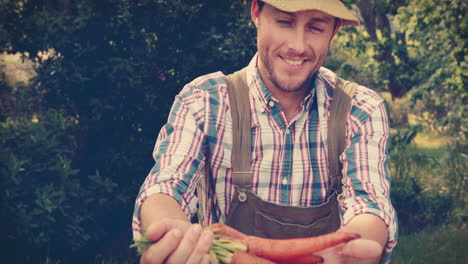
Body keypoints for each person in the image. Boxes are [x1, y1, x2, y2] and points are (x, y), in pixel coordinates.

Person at [132, 0, 398, 263]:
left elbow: (369, 203)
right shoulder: (204, 101)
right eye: (284, 22)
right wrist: (171, 232)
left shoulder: (360, 109)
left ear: (334, 29)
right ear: (256, 13)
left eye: (315, 28)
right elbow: (167, 185)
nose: (297, 46)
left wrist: (352, 249)